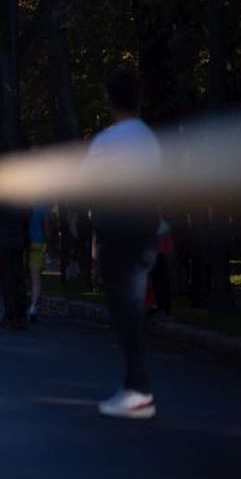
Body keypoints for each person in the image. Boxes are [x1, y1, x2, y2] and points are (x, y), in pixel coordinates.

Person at [81, 69, 161, 420]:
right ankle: (136, 384)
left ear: (110, 101)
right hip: (145, 229)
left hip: (118, 228)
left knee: (125, 307)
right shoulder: (148, 138)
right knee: (132, 305)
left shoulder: (108, 141)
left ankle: (138, 388)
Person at [0, 200, 29, 330]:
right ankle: (20, 315)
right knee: (17, 279)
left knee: (7, 281)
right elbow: (27, 211)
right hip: (16, 240)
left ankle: (11, 316)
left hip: (1, 241)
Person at [27, 203, 55, 323]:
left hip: (23, 241)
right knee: (36, 277)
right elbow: (47, 226)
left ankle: (27, 303)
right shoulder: (43, 205)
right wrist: (49, 246)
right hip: (37, 242)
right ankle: (33, 306)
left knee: (25, 275)